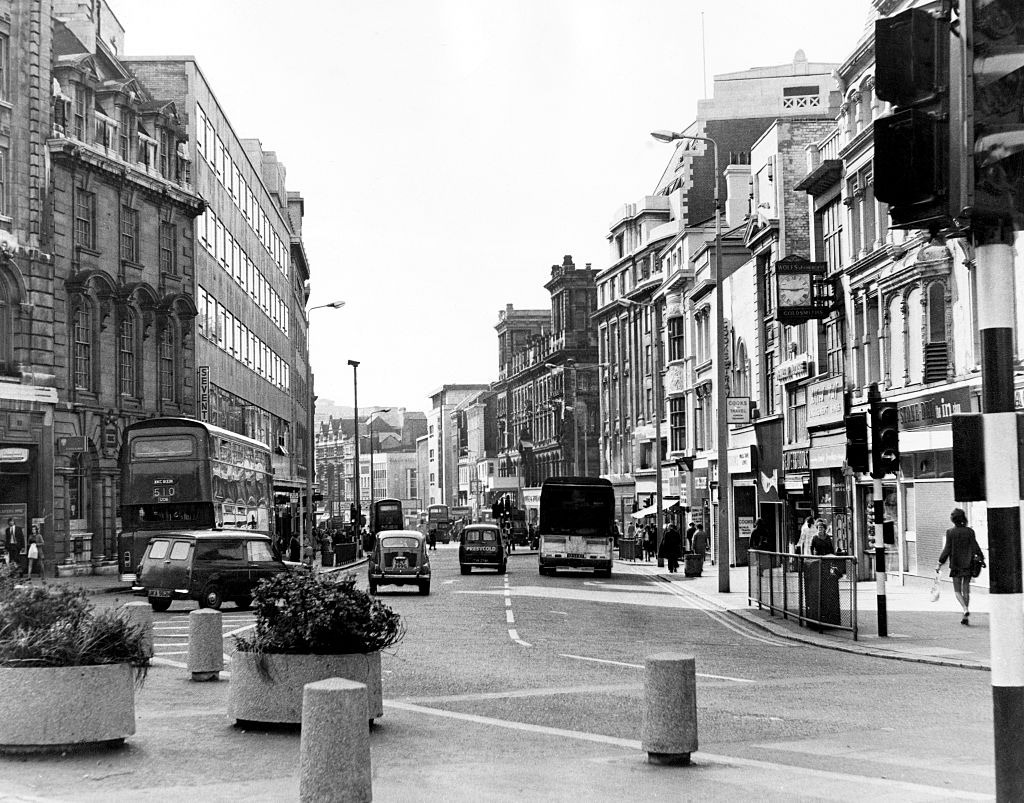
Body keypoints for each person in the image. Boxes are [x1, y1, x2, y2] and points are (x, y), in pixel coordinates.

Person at [937, 507, 986, 626]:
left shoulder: (950, 532)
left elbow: (947, 549)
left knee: (957, 591)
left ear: (953, 520)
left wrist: (940, 563)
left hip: (956, 565)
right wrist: (981, 558)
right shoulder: (969, 531)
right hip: (968, 564)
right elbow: (975, 546)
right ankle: (965, 616)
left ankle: (964, 608)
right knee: (966, 590)